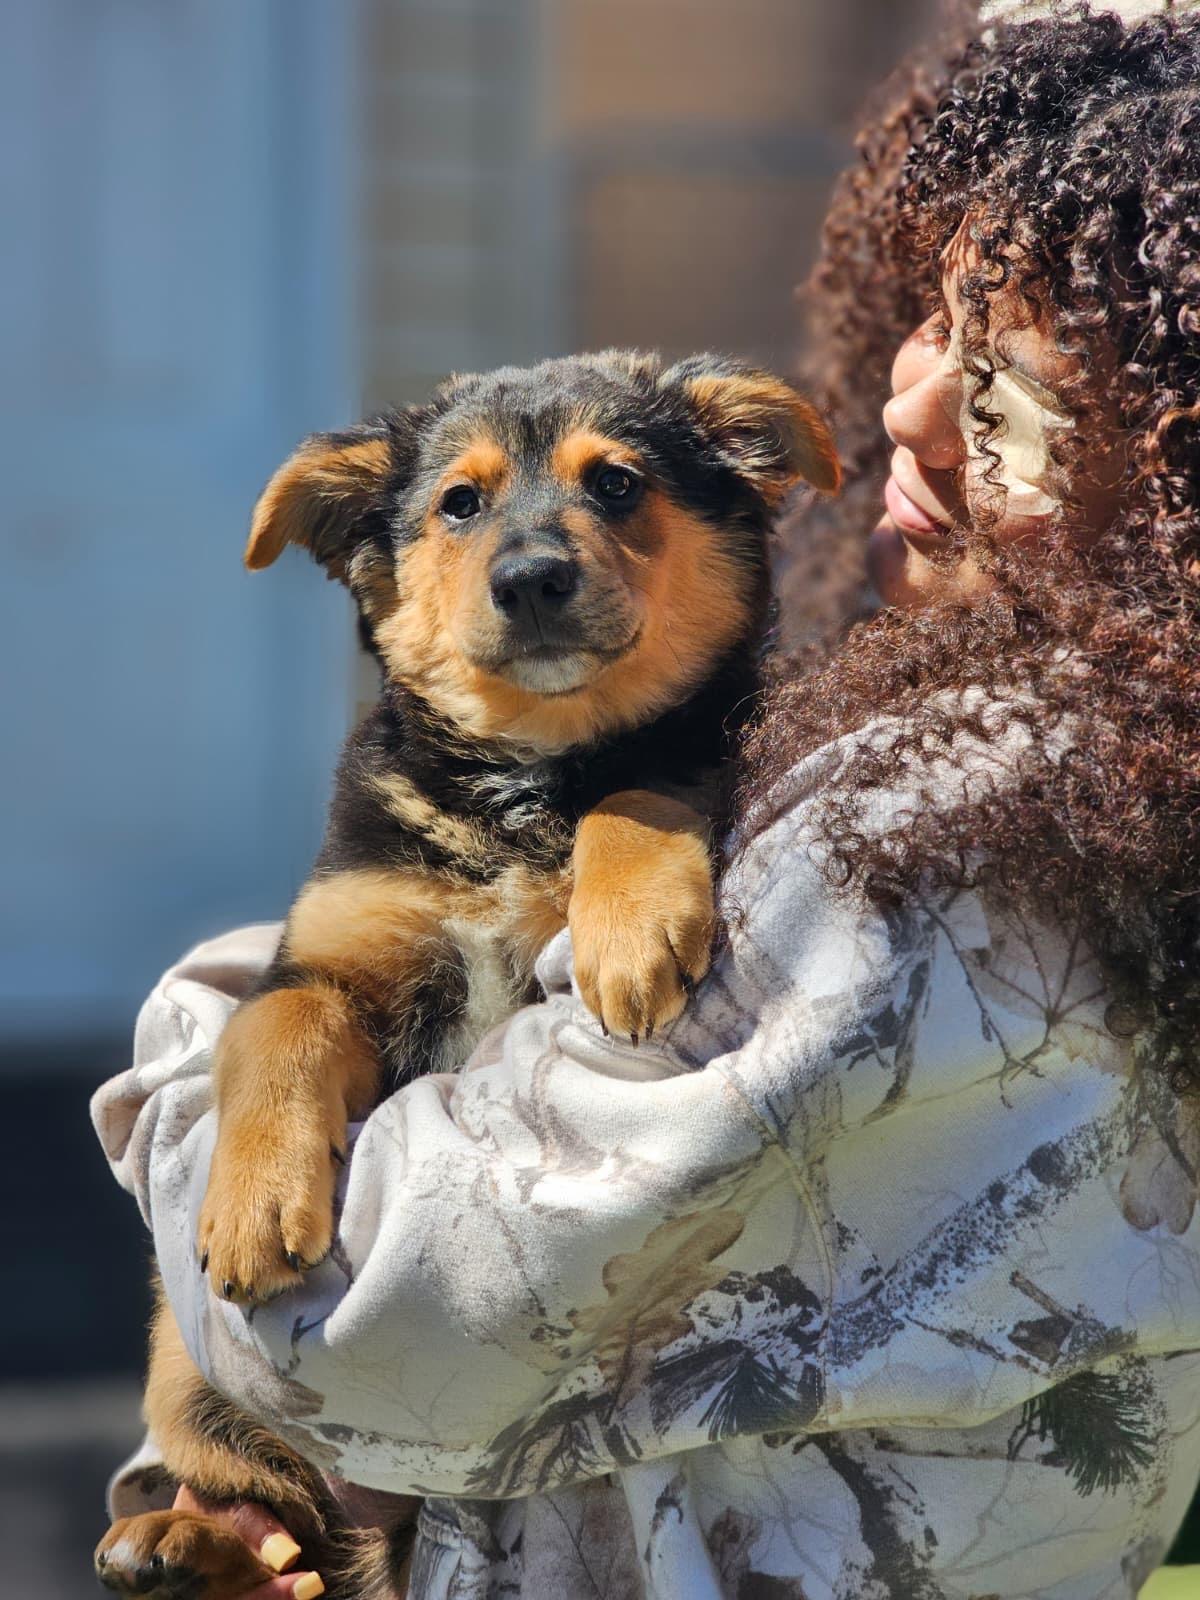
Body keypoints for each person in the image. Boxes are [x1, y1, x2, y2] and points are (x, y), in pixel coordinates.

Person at [93, 3, 1200, 1595]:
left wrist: (192, 1039)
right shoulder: (1035, 763)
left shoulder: (942, 834)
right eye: (928, 330)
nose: (906, 413)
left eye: (1009, 385)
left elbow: (364, 1332)